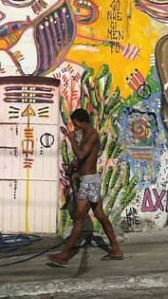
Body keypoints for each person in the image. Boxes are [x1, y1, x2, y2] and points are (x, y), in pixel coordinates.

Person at [48, 108, 123, 264]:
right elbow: (83, 158)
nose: (75, 127)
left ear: (83, 122)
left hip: (89, 182)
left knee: (79, 219)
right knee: (100, 216)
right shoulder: (86, 134)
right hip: (89, 180)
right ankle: (116, 250)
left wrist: (71, 140)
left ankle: (65, 255)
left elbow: (81, 154)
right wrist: (74, 166)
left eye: (76, 124)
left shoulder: (92, 135)